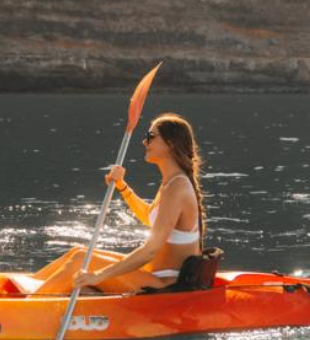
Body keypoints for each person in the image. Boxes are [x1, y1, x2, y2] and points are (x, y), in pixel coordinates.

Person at [39, 112, 205, 295]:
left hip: (166, 285)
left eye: (150, 136)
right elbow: (149, 216)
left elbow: (151, 250)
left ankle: (28, 304)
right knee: (78, 252)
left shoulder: (177, 187)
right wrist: (123, 187)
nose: (144, 142)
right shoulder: (171, 182)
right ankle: (28, 289)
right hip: (154, 276)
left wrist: (99, 276)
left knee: (80, 261)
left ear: (170, 144)